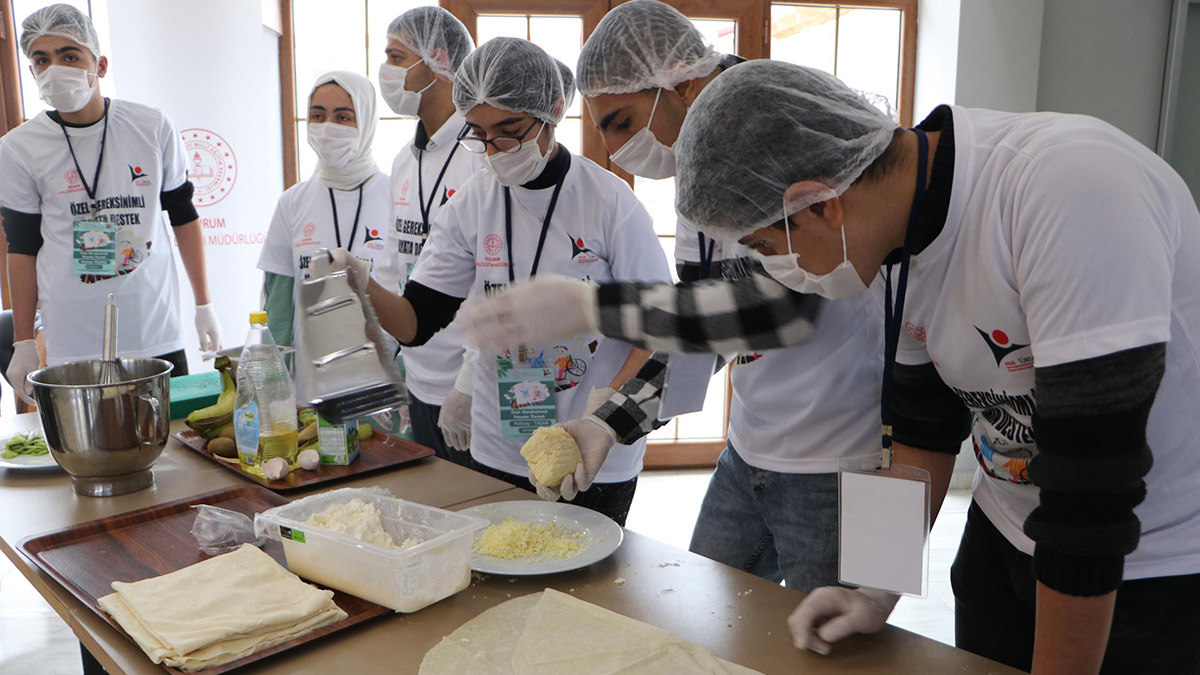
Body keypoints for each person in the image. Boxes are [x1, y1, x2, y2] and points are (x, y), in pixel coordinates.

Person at [463, 59, 1200, 674]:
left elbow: (1091, 498)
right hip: (1006, 528)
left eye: (764, 248)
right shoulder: (905, 239)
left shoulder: (1067, 190)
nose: (775, 272)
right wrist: (872, 585)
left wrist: (593, 309)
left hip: (1150, 561)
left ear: (819, 205)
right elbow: (922, 431)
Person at [571, 0, 884, 592]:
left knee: (831, 632)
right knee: (709, 617)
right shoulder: (700, 164)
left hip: (840, 457)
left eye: (621, 121)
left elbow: (775, 308)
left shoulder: (781, 127)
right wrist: (609, 423)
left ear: (682, 86)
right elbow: (706, 322)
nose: (613, 149)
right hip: (751, 445)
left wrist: (589, 311)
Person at [328, 37, 673, 525]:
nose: (493, 150)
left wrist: (605, 419)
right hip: (499, 444)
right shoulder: (473, 202)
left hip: (592, 448)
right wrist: (362, 282)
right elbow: (415, 323)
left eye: (509, 132)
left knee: (589, 570)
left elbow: (659, 327)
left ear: (554, 111)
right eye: (479, 134)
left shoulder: (609, 202)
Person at [1, 4, 220, 403]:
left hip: (153, 328)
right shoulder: (18, 148)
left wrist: (204, 303)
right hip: (71, 336)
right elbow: (22, 247)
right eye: (41, 59)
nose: (55, 68)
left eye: (69, 56)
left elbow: (183, 215)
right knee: (87, 437)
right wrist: (23, 341)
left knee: (172, 438)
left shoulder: (151, 126)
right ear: (32, 71)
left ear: (100, 65)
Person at [374, 7, 481, 463]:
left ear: (438, 60)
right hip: (419, 377)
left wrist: (470, 381)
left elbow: (497, 278)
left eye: (396, 57)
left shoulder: (481, 155)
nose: (386, 70)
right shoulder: (405, 160)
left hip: (472, 386)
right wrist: (387, 362)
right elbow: (396, 264)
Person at [258, 71, 392, 351]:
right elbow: (279, 306)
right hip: (310, 369)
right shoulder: (292, 202)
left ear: (366, 120)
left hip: (385, 365)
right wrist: (280, 368)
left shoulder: (396, 198)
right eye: (318, 116)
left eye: (343, 117)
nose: (328, 127)